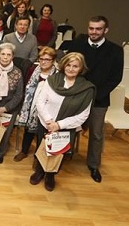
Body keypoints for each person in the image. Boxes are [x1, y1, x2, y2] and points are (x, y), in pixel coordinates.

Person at [67, 15, 123, 183]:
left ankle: (93, 165)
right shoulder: (78, 44)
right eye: (91, 28)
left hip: (99, 99)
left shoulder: (115, 50)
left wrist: (96, 95)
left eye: (98, 29)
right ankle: (64, 155)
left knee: (96, 134)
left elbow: (115, 78)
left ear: (105, 30)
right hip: (75, 95)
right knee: (68, 127)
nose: (94, 32)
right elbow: (68, 68)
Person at [29, 52, 95, 191]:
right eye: (68, 65)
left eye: (75, 66)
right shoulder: (52, 80)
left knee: (57, 153)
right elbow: (40, 102)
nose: (71, 69)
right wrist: (49, 121)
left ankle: (50, 175)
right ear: (63, 65)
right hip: (45, 123)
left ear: (81, 68)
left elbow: (83, 115)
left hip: (65, 128)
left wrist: (59, 125)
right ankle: (39, 171)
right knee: (41, 148)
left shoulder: (86, 89)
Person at [15, 47, 57, 162]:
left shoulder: (57, 75)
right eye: (41, 58)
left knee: (41, 132)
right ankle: (24, 151)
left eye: (47, 59)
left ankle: (38, 157)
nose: (43, 61)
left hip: (47, 108)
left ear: (53, 60)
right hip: (31, 104)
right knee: (28, 130)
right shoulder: (33, 70)